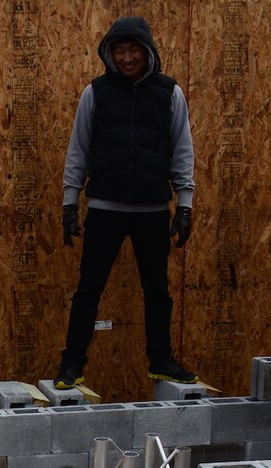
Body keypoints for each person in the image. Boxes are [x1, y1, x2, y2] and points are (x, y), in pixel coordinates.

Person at [55, 16, 198, 389]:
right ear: (110, 53)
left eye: (134, 49)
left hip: (152, 209)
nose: (127, 57)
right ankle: (72, 364)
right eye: (120, 50)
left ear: (147, 51)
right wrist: (70, 203)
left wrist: (185, 206)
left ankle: (161, 360)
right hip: (105, 208)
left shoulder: (170, 93)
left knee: (157, 291)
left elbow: (183, 150)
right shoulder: (96, 93)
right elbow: (78, 149)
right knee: (88, 289)